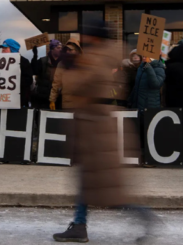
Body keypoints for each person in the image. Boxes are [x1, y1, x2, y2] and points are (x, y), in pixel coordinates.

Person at [52, 22, 157, 243]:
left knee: (109, 192)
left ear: (96, 38)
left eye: (86, 36)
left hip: (96, 133)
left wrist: (71, 67)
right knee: (88, 183)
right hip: (91, 129)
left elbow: (83, 86)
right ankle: (79, 226)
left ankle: (145, 215)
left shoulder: (99, 59)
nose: (83, 40)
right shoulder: (100, 56)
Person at [49, 38, 83, 111]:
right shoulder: (61, 64)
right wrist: (52, 100)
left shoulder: (83, 64)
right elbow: (56, 83)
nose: (68, 52)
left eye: (70, 50)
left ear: (77, 51)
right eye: (67, 50)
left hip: (82, 104)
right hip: (67, 104)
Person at [0, 39, 32, 108]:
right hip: (3, 100)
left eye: (5, 48)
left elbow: (28, 80)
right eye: (2, 48)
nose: (3, 50)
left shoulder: (23, 61)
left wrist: (11, 81)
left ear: (13, 49)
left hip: (18, 101)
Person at [31, 39, 62, 109]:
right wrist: (35, 56)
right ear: (52, 49)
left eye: (61, 48)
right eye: (58, 48)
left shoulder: (62, 63)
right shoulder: (43, 61)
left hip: (57, 98)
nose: (60, 50)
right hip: (43, 98)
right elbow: (34, 71)